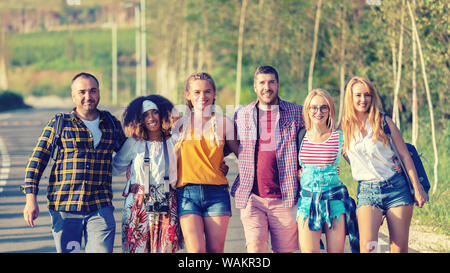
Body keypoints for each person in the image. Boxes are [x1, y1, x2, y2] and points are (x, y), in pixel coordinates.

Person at [22, 72, 127, 253]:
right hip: (65, 208)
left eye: (93, 91)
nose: (88, 96)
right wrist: (30, 200)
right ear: (73, 96)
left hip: (100, 206)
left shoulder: (110, 123)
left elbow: (129, 154)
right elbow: (37, 161)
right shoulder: (60, 123)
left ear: (99, 92)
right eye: (82, 92)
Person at [340, 76, 428, 253]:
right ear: (350, 97)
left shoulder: (383, 121)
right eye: (358, 95)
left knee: (398, 248)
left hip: (397, 188)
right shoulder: (344, 128)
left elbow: (404, 155)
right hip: (367, 191)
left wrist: (417, 188)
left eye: (367, 95)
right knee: (368, 248)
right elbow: (347, 157)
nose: (363, 100)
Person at [231, 65, 304, 253]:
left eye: (271, 82)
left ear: (278, 85)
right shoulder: (242, 114)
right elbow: (226, 144)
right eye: (262, 82)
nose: (267, 87)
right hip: (252, 197)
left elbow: (318, 137)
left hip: (285, 197)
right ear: (255, 87)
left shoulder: (296, 112)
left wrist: (313, 167)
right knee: (255, 248)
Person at [174, 72, 238, 253]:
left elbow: (244, 155)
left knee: (215, 251)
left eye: (207, 91)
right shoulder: (178, 124)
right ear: (187, 94)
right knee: (196, 252)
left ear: (214, 94)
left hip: (216, 193)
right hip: (186, 194)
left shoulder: (224, 123)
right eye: (197, 92)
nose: (203, 97)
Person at [112, 95, 183, 253]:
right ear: (138, 119)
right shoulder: (134, 143)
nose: (151, 118)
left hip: (167, 202)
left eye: (155, 112)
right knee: (137, 249)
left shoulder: (174, 141)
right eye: (145, 115)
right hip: (138, 204)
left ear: (163, 114)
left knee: (166, 249)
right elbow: (115, 167)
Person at [296, 89, 359, 253]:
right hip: (307, 202)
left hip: (334, 202)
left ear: (330, 110)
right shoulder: (300, 136)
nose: (319, 112)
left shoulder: (339, 137)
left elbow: (359, 163)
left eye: (324, 107)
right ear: (307, 110)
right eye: (314, 107)